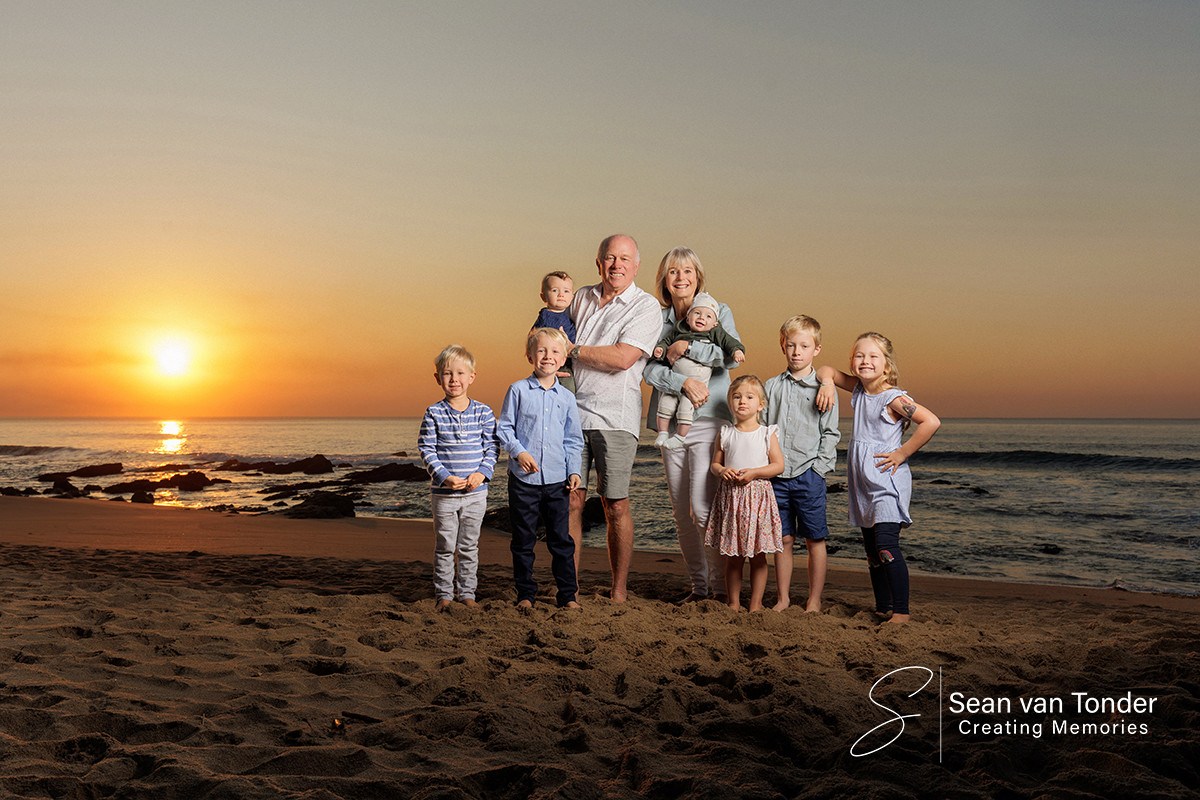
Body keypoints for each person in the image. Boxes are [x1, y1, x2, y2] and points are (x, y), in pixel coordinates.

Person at [816, 332, 941, 624]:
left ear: (886, 365)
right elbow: (826, 371)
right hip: (862, 486)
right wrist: (825, 383)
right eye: (859, 356)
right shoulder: (860, 390)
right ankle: (883, 606)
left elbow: (931, 421)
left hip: (886, 482)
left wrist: (901, 453)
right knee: (872, 551)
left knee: (886, 546)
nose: (865, 361)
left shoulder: (893, 398)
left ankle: (901, 612)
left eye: (873, 356)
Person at [567, 234, 664, 602]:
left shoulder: (645, 306)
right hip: (572, 416)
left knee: (615, 504)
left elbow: (623, 358)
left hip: (615, 418)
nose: (616, 265)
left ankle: (619, 590)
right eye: (610, 257)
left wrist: (573, 350)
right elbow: (547, 334)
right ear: (598, 263)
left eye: (624, 258)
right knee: (571, 499)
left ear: (636, 266)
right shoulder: (580, 299)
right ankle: (569, 586)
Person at [642, 247, 741, 603]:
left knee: (702, 509)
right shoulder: (656, 318)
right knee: (682, 513)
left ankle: (717, 589)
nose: (680, 278)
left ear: (698, 277)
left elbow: (727, 354)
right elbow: (647, 369)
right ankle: (699, 589)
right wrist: (681, 382)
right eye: (672, 272)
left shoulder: (718, 310)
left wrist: (683, 350)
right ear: (664, 281)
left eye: (687, 271)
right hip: (670, 426)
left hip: (710, 420)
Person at [496, 328, 584, 609]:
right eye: (542, 351)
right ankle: (525, 594)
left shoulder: (567, 398)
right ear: (530, 356)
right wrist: (519, 452)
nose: (548, 356)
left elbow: (573, 439)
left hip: (557, 480)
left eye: (555, 352)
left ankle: (568, 596)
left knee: (561, 541)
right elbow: (505, 428)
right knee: (523, 542)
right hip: (524, 481)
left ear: (562, 360)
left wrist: (574, 471)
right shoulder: (518, 390)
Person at [764, 315, 840, 613]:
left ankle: (814, 599)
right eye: (791, 345)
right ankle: (783, 598)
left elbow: (831, 433)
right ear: (783, 346)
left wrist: (819, 469)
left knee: (814, 539)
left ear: (816, 349)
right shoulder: (771, 387)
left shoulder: (824, 388)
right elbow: (763, 428)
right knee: (782, 538)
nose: (797, 352)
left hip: (809, 475)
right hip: (777, 475)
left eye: (804, 346)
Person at [417, 344, 498, 611]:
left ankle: (467, 594)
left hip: (476, 494)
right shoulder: (433, 413)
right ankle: (444, 595)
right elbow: (427, 449)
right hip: (444, 495)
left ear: (472, 377)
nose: (454, 379)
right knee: (445, 546)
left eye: (461, 373)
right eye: (447, 374)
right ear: (437, 378)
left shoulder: (484, 412)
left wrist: (481, 474)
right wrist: (444, 477)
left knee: (468, 546)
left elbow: (492, 448)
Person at [704, 375, 785, 611]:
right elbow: (715, 465)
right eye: (737, 397)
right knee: (734, 555)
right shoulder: (726, 433)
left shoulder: (766, 433)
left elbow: (778, 465)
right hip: (732, 500)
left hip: (758, 499)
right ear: (731, 403)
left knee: (759, 555)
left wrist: (755, 473)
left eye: (749, 397)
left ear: (760, 404)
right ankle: (734, 603)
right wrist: (722, 471)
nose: (742, 401)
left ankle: (756, 604)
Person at [652, 291, 745, 450]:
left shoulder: (715, 332)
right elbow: (663, 345)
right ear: (687, 317)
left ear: (715, 323)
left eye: (708, 316)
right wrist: (660, 350)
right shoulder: (677, 329)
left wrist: (736, 350)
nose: (702, 318)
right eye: (697, 313)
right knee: (665, 404)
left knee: (685, 409)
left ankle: (680, 437)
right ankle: (662, 433)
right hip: (674, 383)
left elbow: (729, 347)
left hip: (697, 393)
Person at [532, 271, 576, 392]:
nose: (561, 295)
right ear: (544, 296)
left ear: (572, 297)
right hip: (555, 365)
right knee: (567, 389)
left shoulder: (569, 315)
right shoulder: (546, 316)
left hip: (569, 363)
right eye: (555, 290)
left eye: (566, 291)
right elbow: (533, 338)